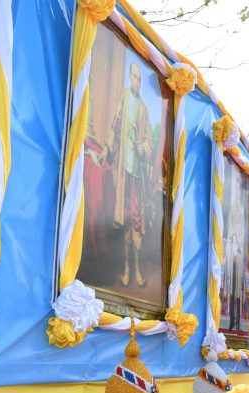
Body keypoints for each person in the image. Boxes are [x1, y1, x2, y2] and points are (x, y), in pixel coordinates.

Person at [105, 61, 153, 289]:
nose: (137, 82)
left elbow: (148, 143)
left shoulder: (144, 108)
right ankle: (125, 270)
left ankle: (136, 270)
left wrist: (144, 147)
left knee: (135, 222)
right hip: (122, 170)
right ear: (129, 77)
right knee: (123, 221)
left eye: (140, 79)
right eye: (134, 77)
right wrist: (106, 147)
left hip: (136, 175)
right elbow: (115, 124)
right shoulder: (124, 97)